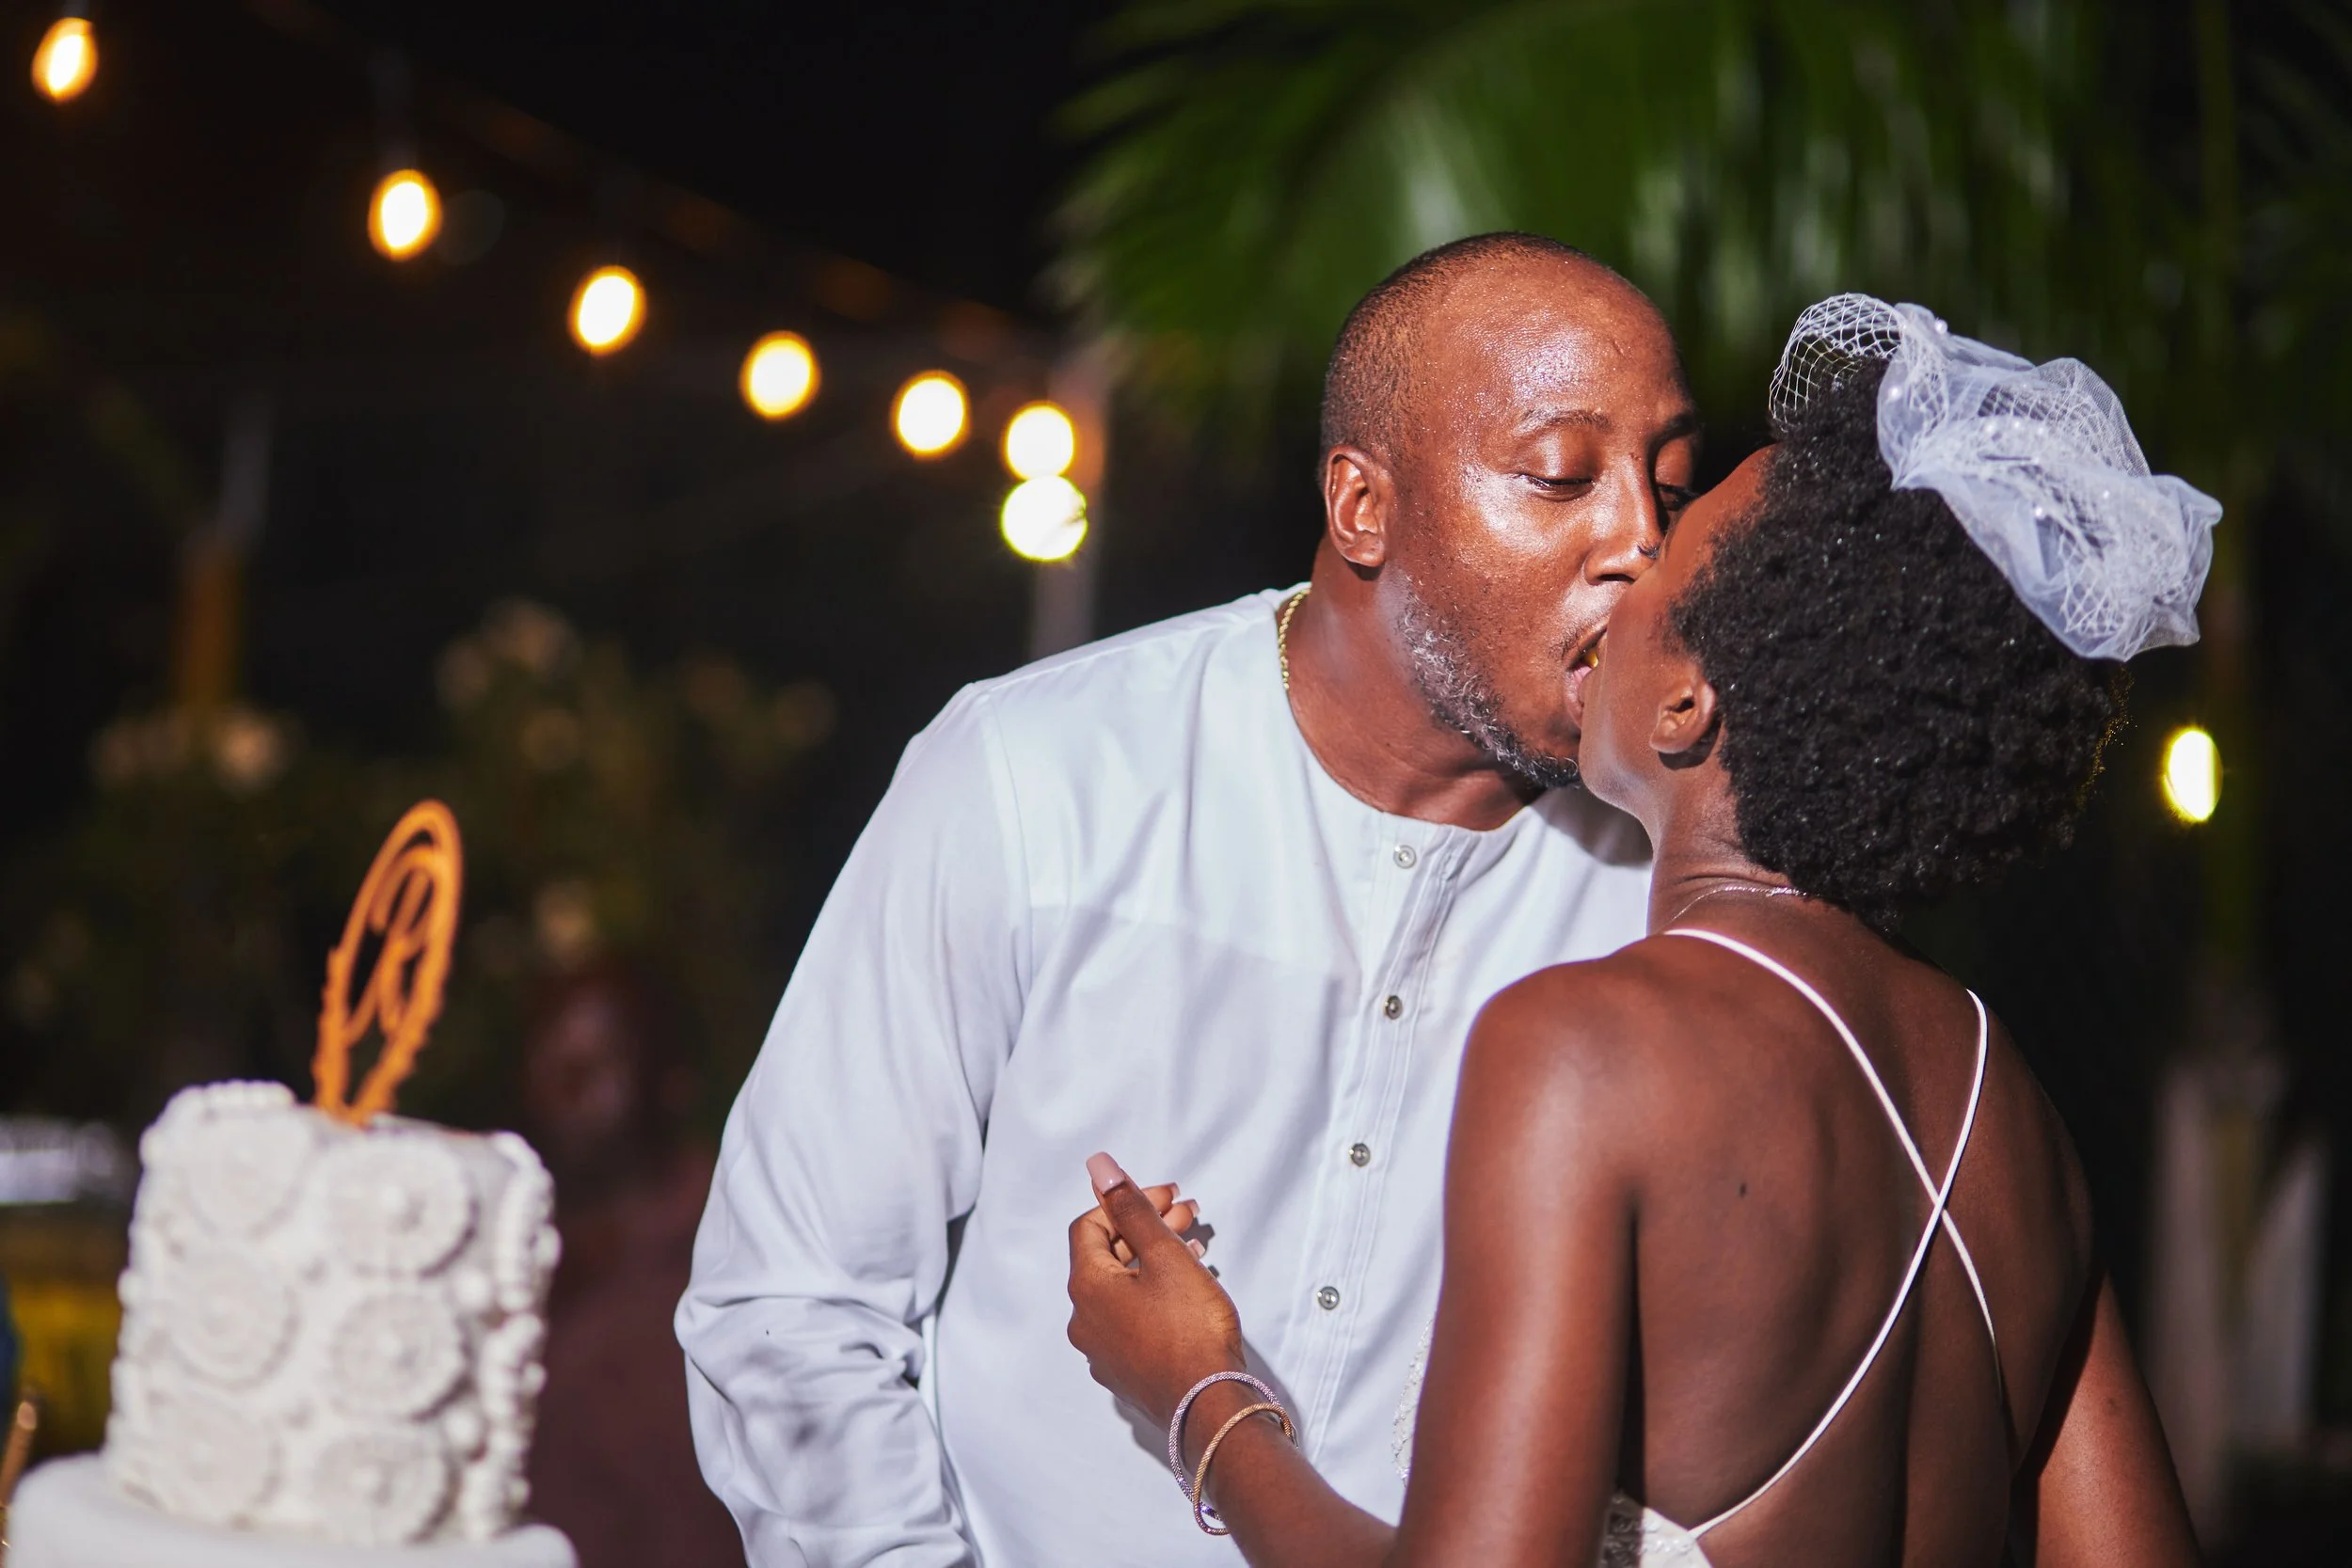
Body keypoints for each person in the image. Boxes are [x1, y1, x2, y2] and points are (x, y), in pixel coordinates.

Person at [1067, 296, 2213, 1566]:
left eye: (1669, 550)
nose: (1626, 554)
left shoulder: (1587, 1047)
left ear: (1684, 702)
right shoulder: (2013, 1115)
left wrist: (1197, 1395)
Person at [677, 232, 1699, 1565]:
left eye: (1668, 485)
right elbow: (791, 1303)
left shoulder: (1664, 895)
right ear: (1363, 506)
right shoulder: (1036, 773)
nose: (1638, 538)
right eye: (1565, 474)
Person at [521, 961, 743, 1568]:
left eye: (601, 1061)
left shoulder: (742, 1260)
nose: (567, 1084)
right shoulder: (514, 1266)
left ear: (674, 1082)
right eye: (551, 1059)